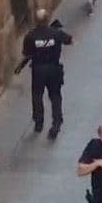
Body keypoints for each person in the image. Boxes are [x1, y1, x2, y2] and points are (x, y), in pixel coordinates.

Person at [22, 9, 73, 139]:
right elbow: (69, 40)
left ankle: (38, 122)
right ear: (48, 19)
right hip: (54, 69)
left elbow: (26, 52)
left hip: (38, 70)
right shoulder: (56, 33)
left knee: (37, 96)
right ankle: (56, 123)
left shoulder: (30, 36)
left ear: (36, 21)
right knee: (55, 96)